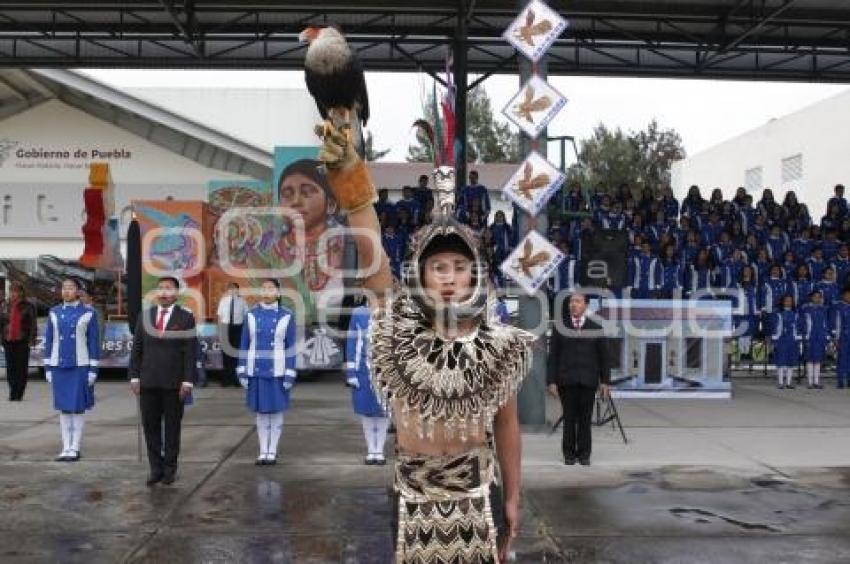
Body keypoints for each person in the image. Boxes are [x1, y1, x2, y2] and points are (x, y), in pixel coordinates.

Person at [316, 120, 533, 562]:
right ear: (421, 274)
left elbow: (507, 426)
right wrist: (351, 178)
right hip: (413, 496)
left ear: (473, 273)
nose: (449, 277)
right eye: (439, 267)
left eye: (458, 265)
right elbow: (373, 255)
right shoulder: (398, 330)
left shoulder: (497, 344)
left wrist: (513, 496)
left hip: (478, 492)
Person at [128, 276, 197, 486]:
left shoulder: (185, 318)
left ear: (176, 293)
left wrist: (188, 381)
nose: (164, 292)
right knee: (151, 427)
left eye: (168, 288)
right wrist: (134, 376)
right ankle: (155, 469)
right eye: (160, 288)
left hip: (174, 383)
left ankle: (170, 469)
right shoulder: (145, 316)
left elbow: (190, 352)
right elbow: (137, 349)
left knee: (172, 429)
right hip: (148, 382)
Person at [237, 279, 297, 466]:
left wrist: (289, 371)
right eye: (263, 288)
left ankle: (273, 451)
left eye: (271, 288)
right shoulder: (251, 315)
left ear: (278, 293)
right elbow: (244, 344)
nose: (267, 291)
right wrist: (242, 369)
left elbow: (291, 347)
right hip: (256, 369)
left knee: (276, 411)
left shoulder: (287, 315)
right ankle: (263, 451)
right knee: (261, 412)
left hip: (277, 371)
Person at [547, 292, 610, 466]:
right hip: (566, 381)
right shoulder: (561, 327)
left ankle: (584, 454)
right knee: (568, 419)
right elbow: (553, 356)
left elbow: (604, 356)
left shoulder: (596, 327)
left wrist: (605, 381)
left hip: (588, 380)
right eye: (571, 302)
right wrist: (551, 381)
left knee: (585, 419)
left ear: (586, 305)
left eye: (577, 301)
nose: (573, 304)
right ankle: (569, 454)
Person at [42, 279, 99, 461]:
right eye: (64, 288)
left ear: (78, 291)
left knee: (77, 407)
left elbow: (93, 342)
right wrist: (48, 367)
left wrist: (93, 369)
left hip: (80, 366)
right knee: (63, 408)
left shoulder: (88, 313)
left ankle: (75, 447)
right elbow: (49, 340)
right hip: (59, 366)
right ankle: (65, 446)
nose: (66, 291)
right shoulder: (54, 312)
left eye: (70, 288)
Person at [345, 299, 388, 465]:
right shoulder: (358, 313)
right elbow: (351, 343)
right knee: (367, 412)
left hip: (385, 372)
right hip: (363, 371)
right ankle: (371, 450)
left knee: (383, 412)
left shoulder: (391, 311)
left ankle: (380, 450)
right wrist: (351, 372)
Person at [1, 281, 37, 401]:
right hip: (8, 340)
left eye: (16, 291)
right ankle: (12, 392)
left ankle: (19, 393)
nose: (13, 294)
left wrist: (32, 339)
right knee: (10, 368)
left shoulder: (28, 306)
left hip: (22, 340)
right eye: (11, 291)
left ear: (21, 293)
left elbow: (33, 324)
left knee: (21, 368)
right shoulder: (5, 305)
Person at [216, 282, 247, 387]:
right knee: (226, 355)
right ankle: (226, 380)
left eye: (235, 289)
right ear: (228, 291)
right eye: (230, 289)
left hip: (238, 329)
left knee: (236, 355)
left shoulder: (242, 301)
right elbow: (219, 317)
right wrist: (220, 330)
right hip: (225, 328)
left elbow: (246, 316)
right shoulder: (223, 301)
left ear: (238, 290)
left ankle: (236, 380)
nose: (232, 291)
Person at [799, 290, 828, 390]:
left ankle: (817, 381)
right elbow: (802, 323)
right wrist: (804, 336)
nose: (817, 298)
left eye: (819, 297)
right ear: (811, 297)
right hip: (810, 337)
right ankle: (810, 382)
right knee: (810, 359)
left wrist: (826, 336)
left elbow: (825, 324)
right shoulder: (805, 309)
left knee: (818, 360)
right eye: (815, 296)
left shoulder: (823, 309)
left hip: (820, 337)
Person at [770, 294, 800, 390]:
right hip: (781, 339)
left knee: (790, 362)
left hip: (792, 339)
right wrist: (775, 339)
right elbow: (776, 327)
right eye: (786, 300)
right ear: (782, 302)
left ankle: (789, 382)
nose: (788, 302)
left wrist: (797, 338)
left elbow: (797, 327)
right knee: (781, 362)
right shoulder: (778, 314)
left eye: (790, 301)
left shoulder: (795, 314)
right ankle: (780, 382)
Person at [832, 287, 850, 389]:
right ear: (843, 296)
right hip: (844, 337)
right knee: (842, 359)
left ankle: (849, 379)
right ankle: (840, 381)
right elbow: (838, 324)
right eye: (847, 295)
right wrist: (837, 338)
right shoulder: (840, 308)